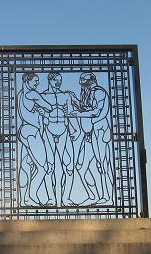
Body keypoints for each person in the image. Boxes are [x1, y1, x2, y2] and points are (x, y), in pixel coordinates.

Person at [40, 72, 80, 205]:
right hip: (48, 131)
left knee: (69, 167)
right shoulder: (42, 96)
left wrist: (75, 129)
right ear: (50, 80)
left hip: (64, 130)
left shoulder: (66, 96)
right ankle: (51, 198)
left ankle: (66, 198)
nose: (58, 83)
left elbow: (70, 114)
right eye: (56, 80)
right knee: (48, 167)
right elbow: (40, 117)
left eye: (60, 80)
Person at [17, 73, 54, 206]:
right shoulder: (32, 94)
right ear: (27, 81)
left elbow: (27, 112)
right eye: (35, 81)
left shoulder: (21, 94)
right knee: (43, 168)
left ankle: (25, 199)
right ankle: (32, 195)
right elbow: (49, 107)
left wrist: (37, 110)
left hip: (24, 131)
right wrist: (41, 110)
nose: (37, 84)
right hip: (32, 132)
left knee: (27, 167)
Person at [76, 72, 113, 204]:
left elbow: (97, 112)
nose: (83, 86)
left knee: (102, 164)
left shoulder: (99, 92)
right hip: (90, 134)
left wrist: (78, 114)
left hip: (100, 131)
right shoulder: (88, 93)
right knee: (81, 167)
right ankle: (94, 196)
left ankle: (107, 196)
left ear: (91, 82)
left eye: (85, 84)